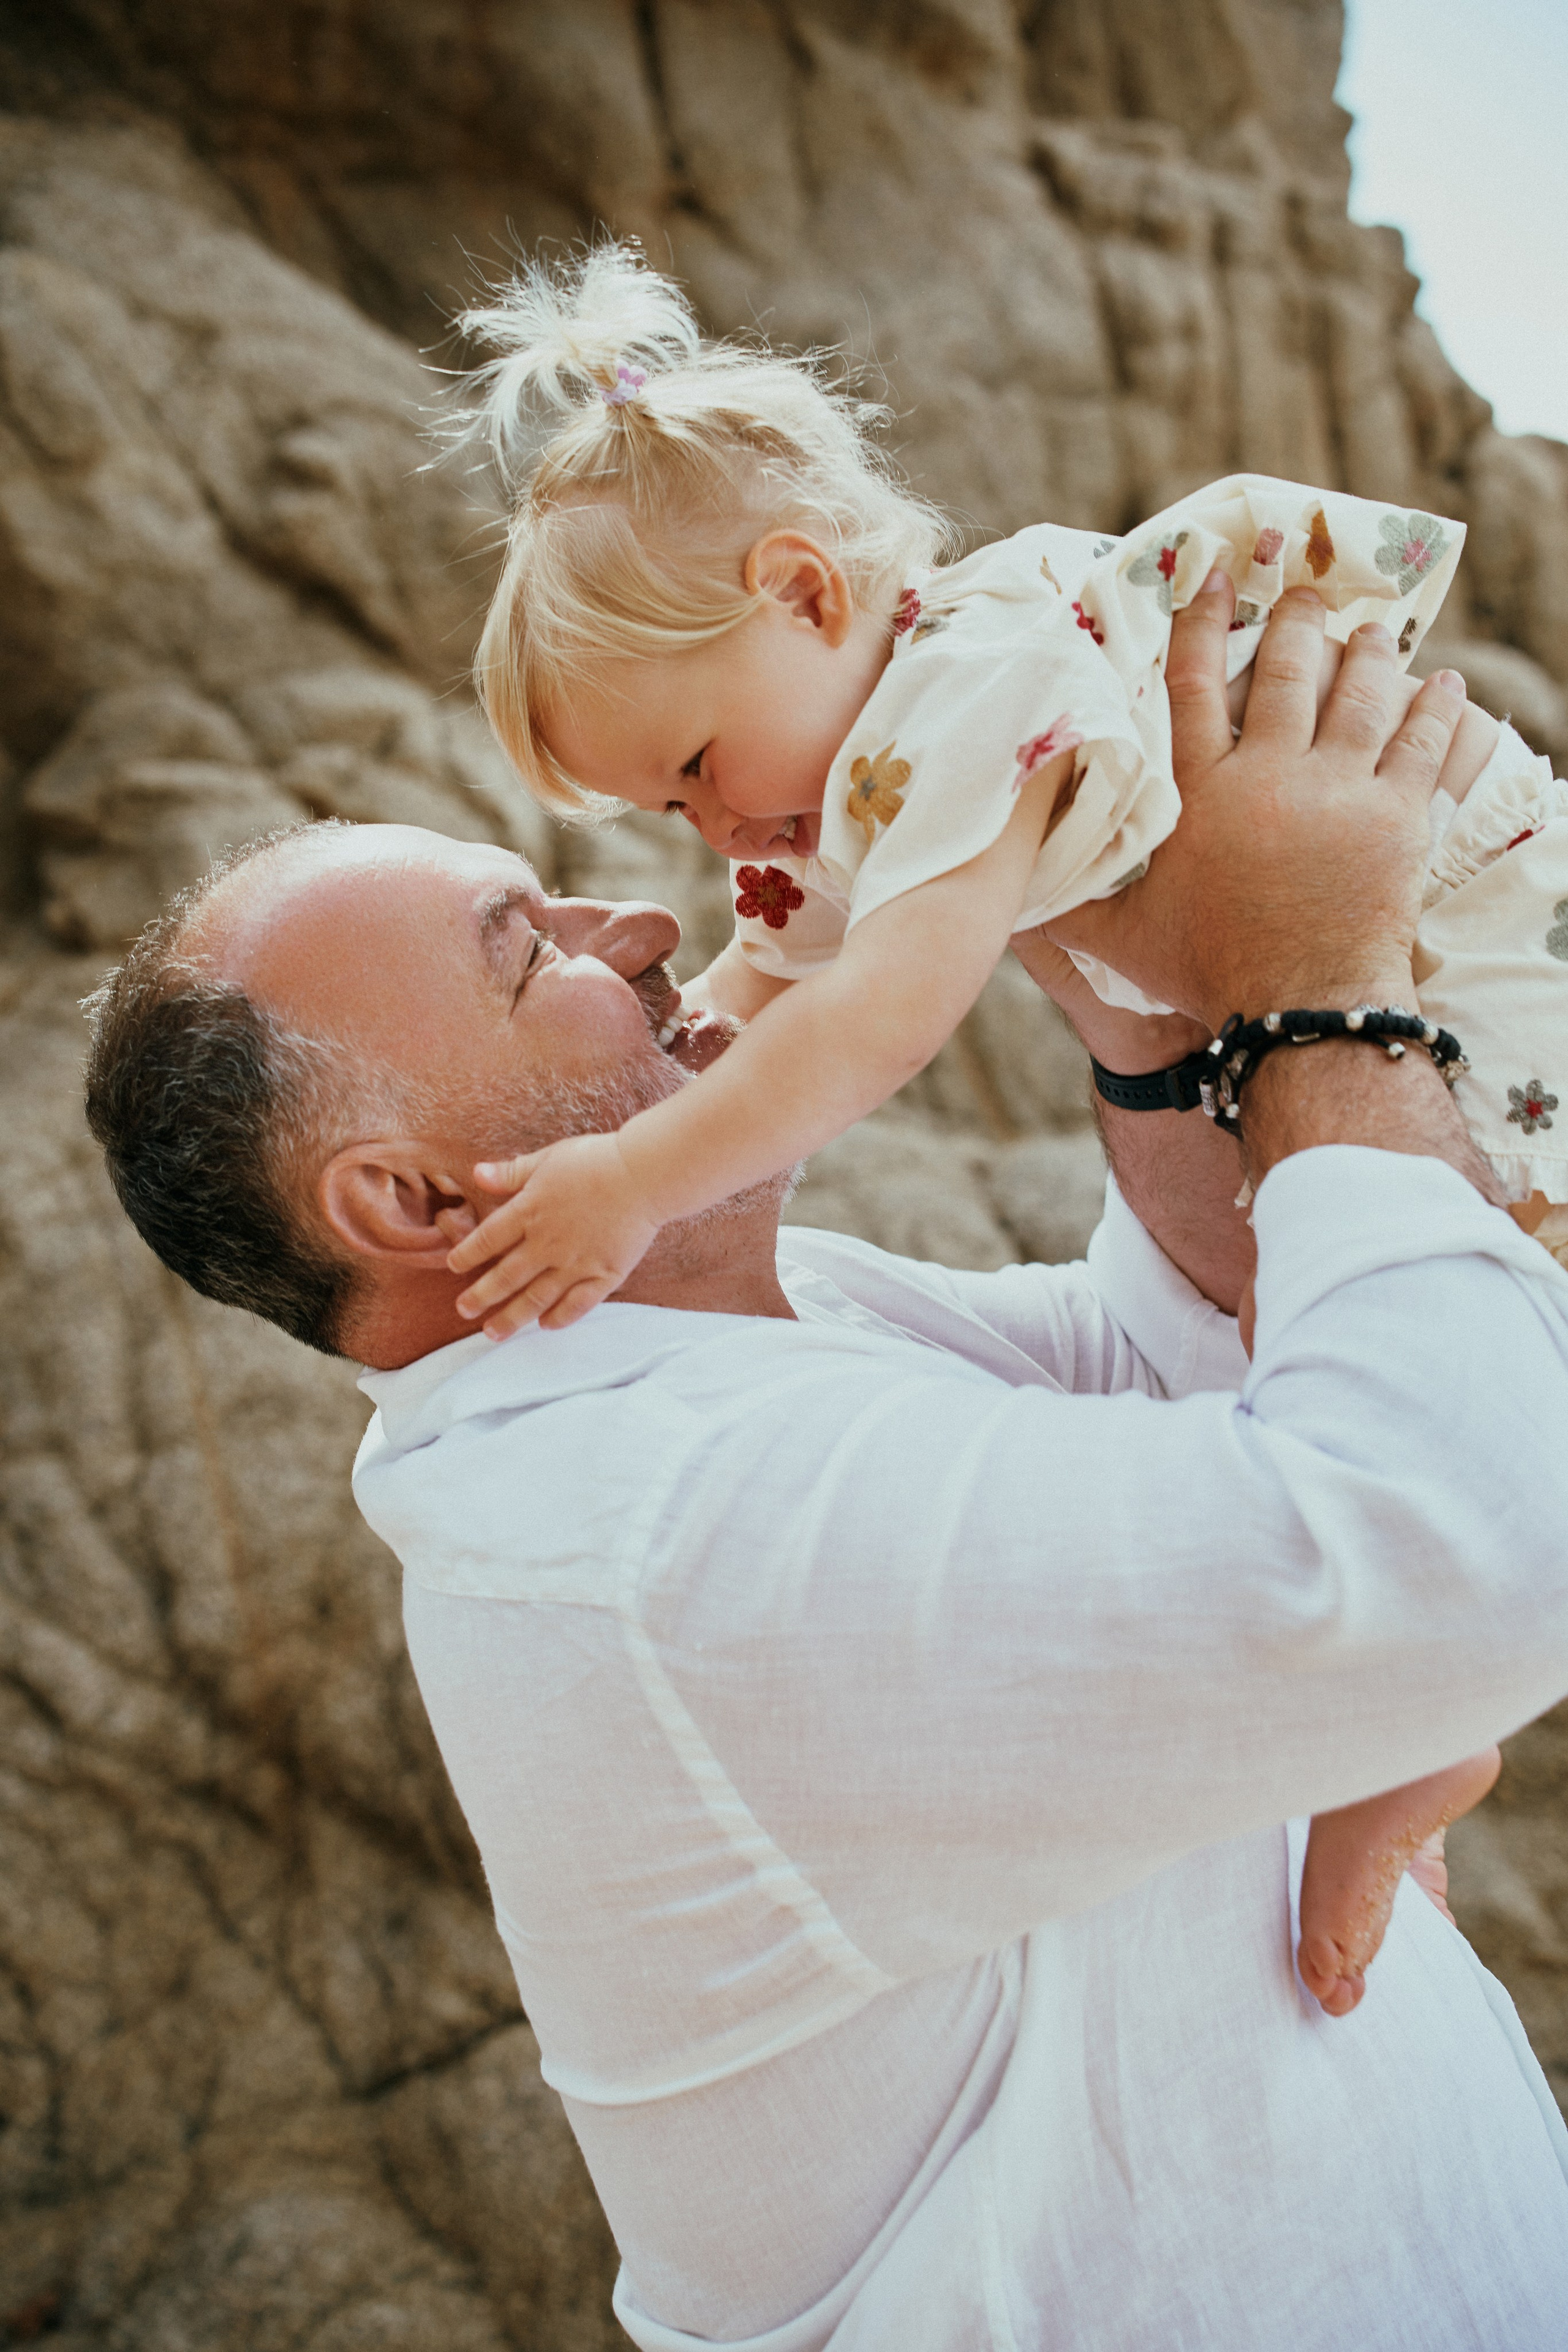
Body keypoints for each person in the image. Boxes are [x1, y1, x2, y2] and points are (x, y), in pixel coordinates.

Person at [83, 585, 1568, 2350]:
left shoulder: (706, 1368)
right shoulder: (656, 1534)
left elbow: (1201, 1358)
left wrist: (1146, 988)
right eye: (526, 950)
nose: (641, 918)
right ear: (406, 1205)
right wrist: (1324, 987)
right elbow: (1473, 1545)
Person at [447, 245, 1559, 2016]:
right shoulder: (850, 778)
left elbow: (887, 1006)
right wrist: (699, 1036)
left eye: (692, 763)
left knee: (1460, 1295)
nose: (705, 818)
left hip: (1474, 939)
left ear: (805, 592)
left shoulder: (968, 682)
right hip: (1367, 963)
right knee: (1342, 1302)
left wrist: (641, 1175)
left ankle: (1425, 1720)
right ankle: (1410, 1720)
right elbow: (771, 968)